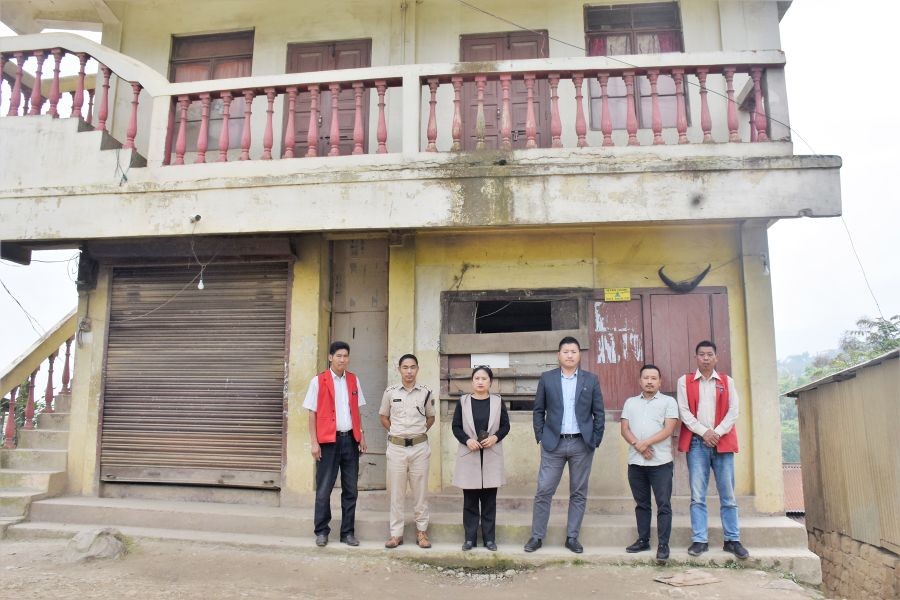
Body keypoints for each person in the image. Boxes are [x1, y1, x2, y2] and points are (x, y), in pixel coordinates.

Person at [525, 336, 605, 554]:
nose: (570, 355)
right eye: (566, 351)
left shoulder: (591, 379)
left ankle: (572, 537)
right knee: (543, 490)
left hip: (582, 443)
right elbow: (538, 410)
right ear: (558, 355)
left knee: (578, 492)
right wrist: (541, 435)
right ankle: (537, 536)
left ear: (580, 355)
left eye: (574, 351)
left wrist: (595, 439)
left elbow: (599, 412)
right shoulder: (547, 379)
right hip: (554, 443)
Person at [676, 340, 749, 560]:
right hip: (697, 443)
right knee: (698, 495)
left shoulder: (727, 381)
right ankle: (700, 540)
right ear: (696, 358)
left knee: (728, 494)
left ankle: (732, 540)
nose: (706, 358)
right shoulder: (685, 381)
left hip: (722, 442)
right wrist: (704, 432)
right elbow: (684, 411)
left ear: (716, 358)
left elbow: (734, 412)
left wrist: (716, 432)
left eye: (709, 354)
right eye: (701, 354)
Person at [303, 341, 367, 548]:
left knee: (351, 489)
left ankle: (347, 533)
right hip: (328, 442)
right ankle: (321, 531)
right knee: (324, 488)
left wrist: (361, 436)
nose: (342, 359)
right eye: (338, 355)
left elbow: (356, 411)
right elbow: (312, 413)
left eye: (345, 356)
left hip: (350, 439)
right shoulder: (318, 381)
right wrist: (314, 442)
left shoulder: (353, 380)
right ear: (331, 357)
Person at [620, 364, 679, 563]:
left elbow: (668, 429)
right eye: (646, 378)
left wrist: (646, 443)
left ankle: (663, 544)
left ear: (660, 381)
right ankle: (643, 539)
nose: (650, 381)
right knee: (642, 504)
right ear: (640, 381)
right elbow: (625, 429)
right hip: (636, 462)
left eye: (654, 378)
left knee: (663, 504)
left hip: (660, 463)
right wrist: (639, 445)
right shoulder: (630, 403)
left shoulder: (668, 402)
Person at [379, 353, 435, 549]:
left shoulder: (426, 392)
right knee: (397, 493)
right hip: (396, 448)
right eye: (405, 367)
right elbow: (384, 416)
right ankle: (396, 534)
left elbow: (430, 418)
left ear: (417, 369)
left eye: (412, 367)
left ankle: (422, 532)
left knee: (420, 493)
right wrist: (398, 432)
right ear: (399, 370)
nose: (409, 371)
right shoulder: (390, 392)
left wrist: (416, 434)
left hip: (419, 448)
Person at [451, 366, 510, 551]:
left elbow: (505, 426)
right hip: (470, 455)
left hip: (491, 455)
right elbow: (456, 427)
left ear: (490, 382)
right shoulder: (463, 401)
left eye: (484, 378)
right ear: (472, 381)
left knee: (489, 502)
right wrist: (467, 440)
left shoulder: (497, 401)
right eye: (477, 378)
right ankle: (469, 539)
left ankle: (489, 539)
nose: (480, 381)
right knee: (469, 501)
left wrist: (495, 437)